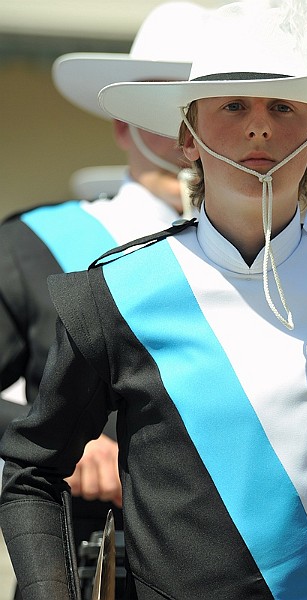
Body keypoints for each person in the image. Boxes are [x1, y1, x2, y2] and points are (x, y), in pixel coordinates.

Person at [1, 0, 307, 599]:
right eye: (232, 105)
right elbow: (32, 471)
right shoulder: (116, 289)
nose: (258, 127)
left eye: (284, 106)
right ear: (188, 136)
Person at [0, 1, 209, 597]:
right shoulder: (28, 247)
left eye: (206, 108)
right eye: (160, 110)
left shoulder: (281, 261)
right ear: (121, 124)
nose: (187, 135)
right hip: (81, 561)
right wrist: (56, 437)